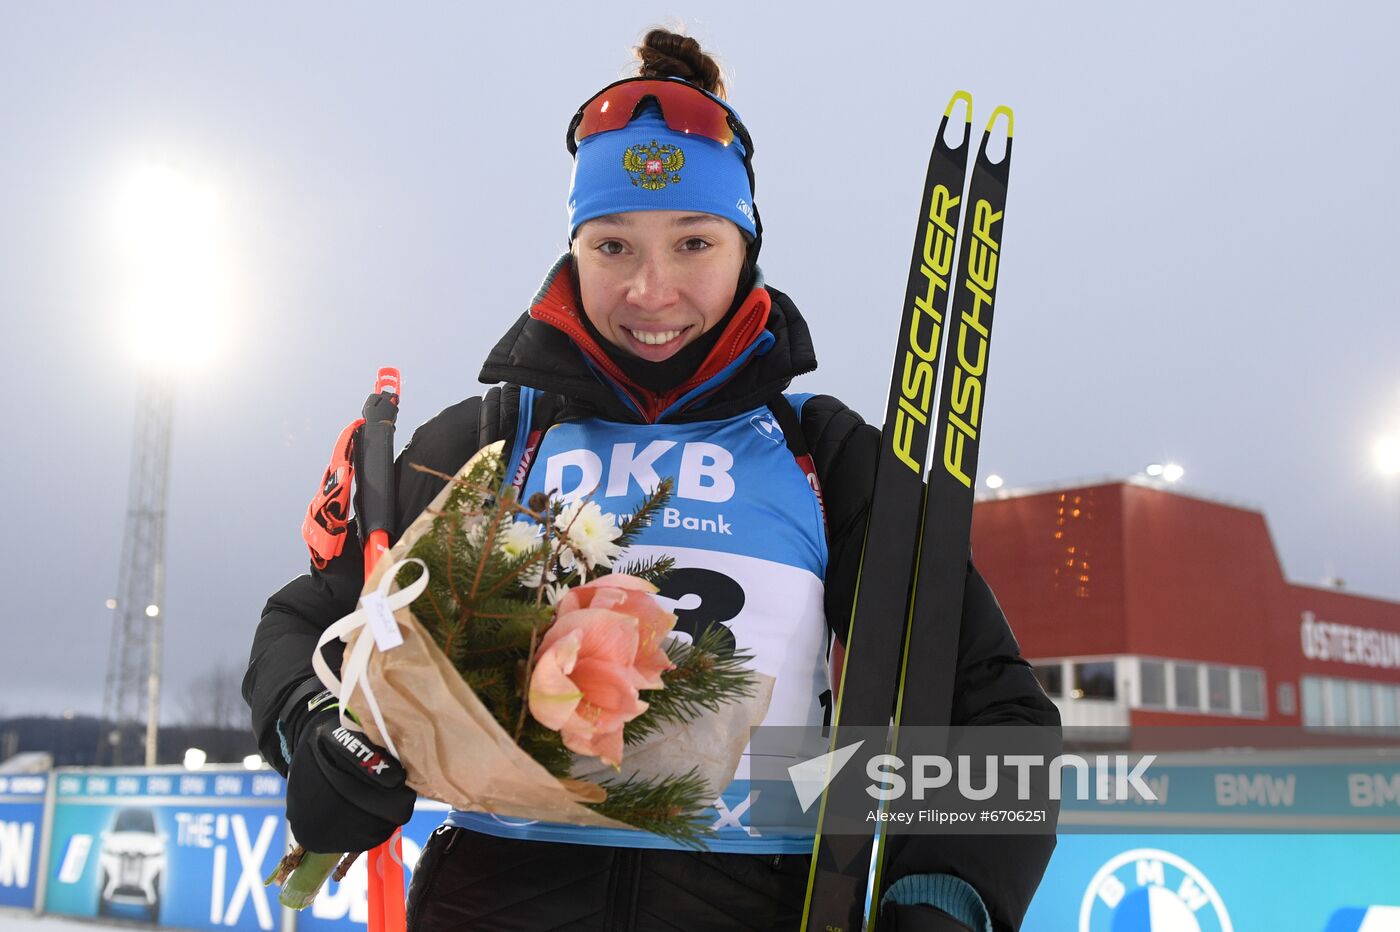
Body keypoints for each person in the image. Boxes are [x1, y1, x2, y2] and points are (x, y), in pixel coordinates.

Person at [244, 28, 1058, 932]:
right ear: (573, 252)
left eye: (694, 243)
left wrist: (944, 895)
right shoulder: (492, 440)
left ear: (746, 245)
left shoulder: (823, 457)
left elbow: (998, 714)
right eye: (614, 247)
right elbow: (304, 621)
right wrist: (316, 731)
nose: (652, 290)